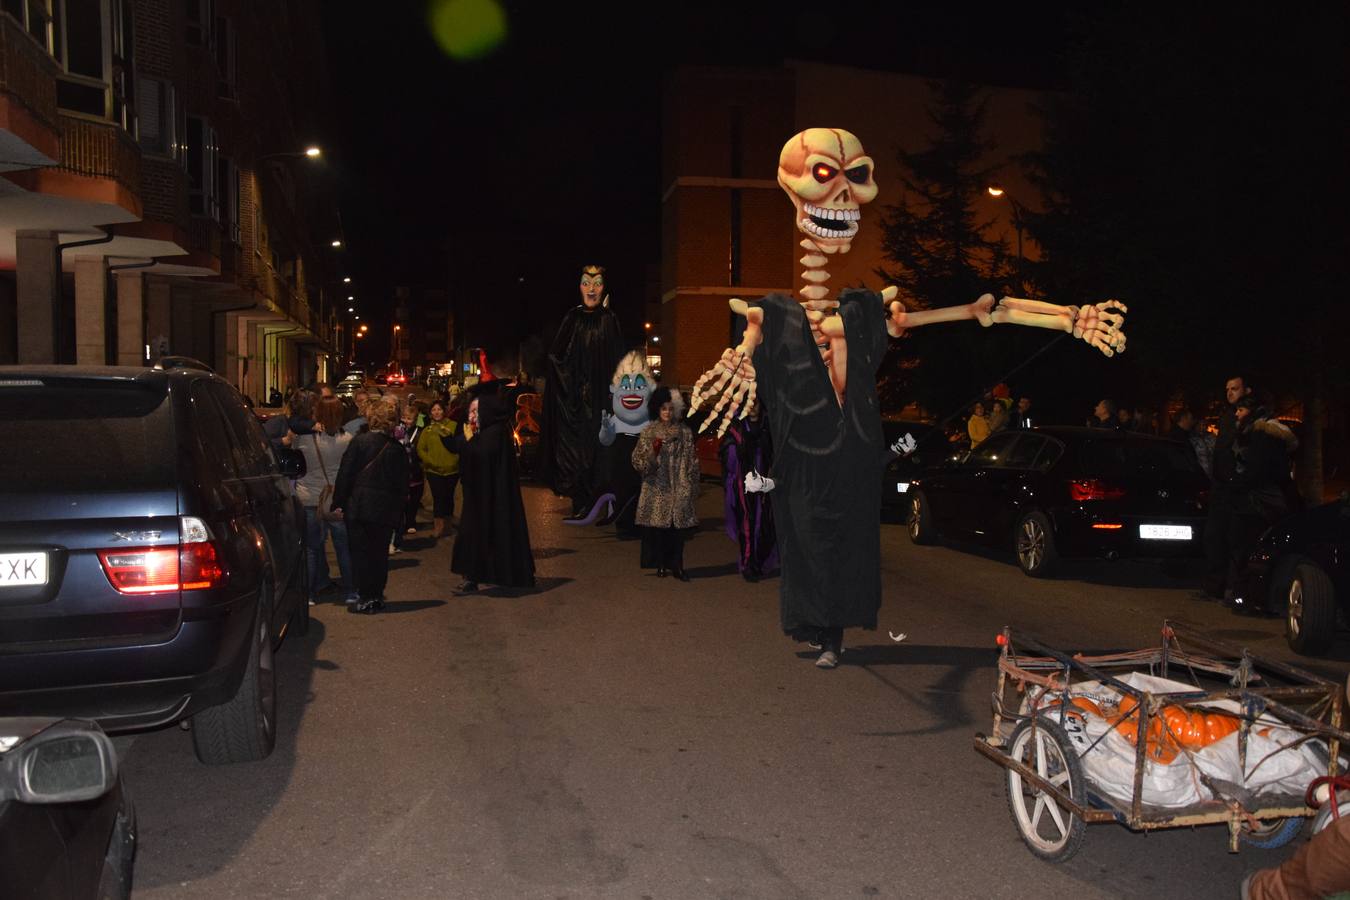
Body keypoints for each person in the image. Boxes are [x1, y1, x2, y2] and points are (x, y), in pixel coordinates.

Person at [538, 265, 628, 519]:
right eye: (586, 282)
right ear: (579, 287)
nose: (591, 289)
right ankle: (579, 501)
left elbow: (620, 358)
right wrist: (571, 381)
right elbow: (556, 355)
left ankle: (605, 502)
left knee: (604, 450)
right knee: (574, 452)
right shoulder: (573, 318)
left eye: (597, 283)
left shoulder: (609, 319)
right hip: (575, 404)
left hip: (602, 402)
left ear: (604, 287)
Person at [443, 350, 535, 593]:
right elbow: (465, 441)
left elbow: (477, 451)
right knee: (482, 531)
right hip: (480, 493)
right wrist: (458, 442)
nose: (472, 414)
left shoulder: (493, 431)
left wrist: (464, 444)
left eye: (475, 411)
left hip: (488, 494)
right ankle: (476, 575)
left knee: (486, 530)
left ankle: (486, 575)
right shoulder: (487, 427)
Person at [331, 398, 409, 614]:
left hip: (359, 506)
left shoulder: (359, 442)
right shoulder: (397, 449)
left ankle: (364, 595)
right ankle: (375, 595)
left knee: (360, 553)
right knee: (378, 554)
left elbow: (345, 474)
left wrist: (338, 502)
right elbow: (402, 485)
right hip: (384, 509)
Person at [1226, 395, 1298, 604]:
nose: (1237, 414)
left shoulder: (1261, 435)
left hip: (1258, 501)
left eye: (1241, 410)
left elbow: (1258, 471)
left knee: (1249, 548)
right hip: (1266, 499)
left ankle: (1249, 597)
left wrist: (1238, 482)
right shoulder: (1267, 435)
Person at [632, 386, 701, 581]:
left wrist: (690, 485)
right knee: (660, 531)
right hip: (657, 489)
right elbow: (637, 461)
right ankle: (661, 564)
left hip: (679, 487)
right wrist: (652, 455)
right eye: (663, 408)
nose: (667, 412)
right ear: (657, 409)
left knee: (678, 532)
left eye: (670, 408)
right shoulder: (648, 433)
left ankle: (678, 566)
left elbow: (692, 461)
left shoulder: (684, 433)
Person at [296, 397, 356, 605]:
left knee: (312, 549)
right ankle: (350, 591)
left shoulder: (304, 439)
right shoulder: (347, 439)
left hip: (310, 498)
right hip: (335, 498)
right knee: (343, 547)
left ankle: (310, 594)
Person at [1197, 375, 1251, 601]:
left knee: (1236, 539)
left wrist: (1235, 479)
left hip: (1236, 488)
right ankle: (1214, 586)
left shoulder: (1249, 417)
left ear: (1246, 390)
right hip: (1221, 487)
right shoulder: (1228, 416)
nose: (1229, 393)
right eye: (1227, 389)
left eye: (1234, 388)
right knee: (1214, 537)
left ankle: (1235, 590)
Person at [720, 404, 778, 582]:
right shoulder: (737, 429)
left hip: (763, 485)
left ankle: (758, 561)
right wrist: (735, 451)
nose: (753, 407)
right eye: (750, 403)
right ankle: (747, 564)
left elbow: (774, 454)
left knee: (763, 524)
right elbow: (726, 453)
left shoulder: (766, 428)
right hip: (742, 485)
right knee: (747, 522)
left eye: (756, 403)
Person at [417, 399, 460, 541]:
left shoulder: (454, 426)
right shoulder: (427, 430)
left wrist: (455, 460)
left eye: (439, 409)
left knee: (449, 497)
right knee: (438, 497)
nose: (436, 412)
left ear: (444, 411)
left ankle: (448, 525)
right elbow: (421, 449)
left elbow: (459, 446)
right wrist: (430, 461)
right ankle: (438, 527)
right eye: (434, 410)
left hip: (452, 470)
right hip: (433, 471)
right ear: (430, 413)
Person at [391, 398, 426, 553]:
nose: (406, 421)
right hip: (401, 470)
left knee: (415, 496)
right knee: (403, 499)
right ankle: (404, 523)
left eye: (409, 418)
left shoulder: (420, 430)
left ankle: (411, 520)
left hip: (415, 469)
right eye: (404, 417)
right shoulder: (398, 430)